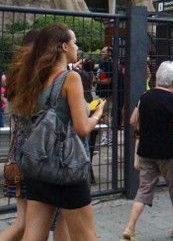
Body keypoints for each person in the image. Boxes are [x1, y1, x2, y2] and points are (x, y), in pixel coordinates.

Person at [5, 23, 105, 241]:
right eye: (74, 41)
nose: (77, 46)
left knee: (33, 235)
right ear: (63, 47)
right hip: (66, 168)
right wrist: (97, 114)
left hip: (37, 165)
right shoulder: (70, 78)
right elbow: (81, 127)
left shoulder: (34, 78)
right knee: (86, 235)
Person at [1, 28, 73, 241]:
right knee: (48, 223)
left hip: (19, 156)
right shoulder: (44, 79)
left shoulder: (20, 77)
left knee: (25, 223)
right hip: (41, 157)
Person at [121, 61, 173, 240]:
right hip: (169, 154)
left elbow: (132, 121)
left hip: (146, 151)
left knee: (144, 190)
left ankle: (130, 228)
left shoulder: (145, 97)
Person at [95, 46, 114, 146]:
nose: (102, 53)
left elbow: (108, 80)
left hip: (106, 93)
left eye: (103, 52)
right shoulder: (103, 65)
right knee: (103, 114)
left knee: (105, 114)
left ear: (109, 53)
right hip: (101, 92)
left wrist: (97, 81)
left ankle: (109, 134)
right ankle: (107, 134)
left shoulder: (110, 65)